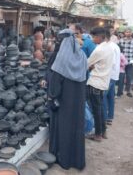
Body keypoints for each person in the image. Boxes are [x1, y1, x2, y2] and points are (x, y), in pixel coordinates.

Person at [44, 29, 87, 170]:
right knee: (76, 128)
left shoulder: (61, 60)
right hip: (78, 102)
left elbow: (55, 89)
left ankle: (64, 160)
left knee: (63, 129)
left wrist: (50, 96)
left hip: (64, 104)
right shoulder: (82, 57)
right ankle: (77, 160)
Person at [86, 27, 114, 141]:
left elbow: (87, 64)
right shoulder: (110, 48)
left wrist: (91, 66)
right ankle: (103, 131)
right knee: (101, 108)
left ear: (100, 37)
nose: (92, 39)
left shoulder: (99, 50)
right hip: (103, 82)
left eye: (94, 37)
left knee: (96, 110)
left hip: (95, 83)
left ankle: (98, 134)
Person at [102, 26, 120, 126]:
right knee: (110, 97)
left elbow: (111, 62)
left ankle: (105, 118)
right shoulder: (115, 46)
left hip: (109, 75)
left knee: (104, 97)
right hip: (114, 75)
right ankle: (110, 117)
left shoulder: (110, 47)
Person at [119, 29, 133, 97]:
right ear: (124, 33)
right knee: (121, 77)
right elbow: (119, 51)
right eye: (127, 32)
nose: (128, 33)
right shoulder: (121, 40)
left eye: (129, 32)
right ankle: (120, 91)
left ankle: (128, 91)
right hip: (122, 62)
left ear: (131, 33)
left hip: (130, 62)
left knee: (129, 77)